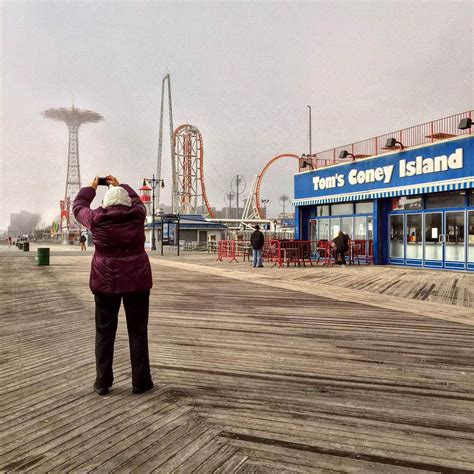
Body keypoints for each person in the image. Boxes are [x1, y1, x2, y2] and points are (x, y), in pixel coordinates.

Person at [73, 175, 153, 396]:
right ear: (127, 202)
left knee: (104, 332)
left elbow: (78, 207)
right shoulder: (138, 215)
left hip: (105, 282)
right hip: (137, 282)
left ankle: (102, 382)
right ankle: (141, 382)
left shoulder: (96, 219)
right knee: (138, 332)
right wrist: (120, 185)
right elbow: (137, 200)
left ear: (105, 204)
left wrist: (90, 188)